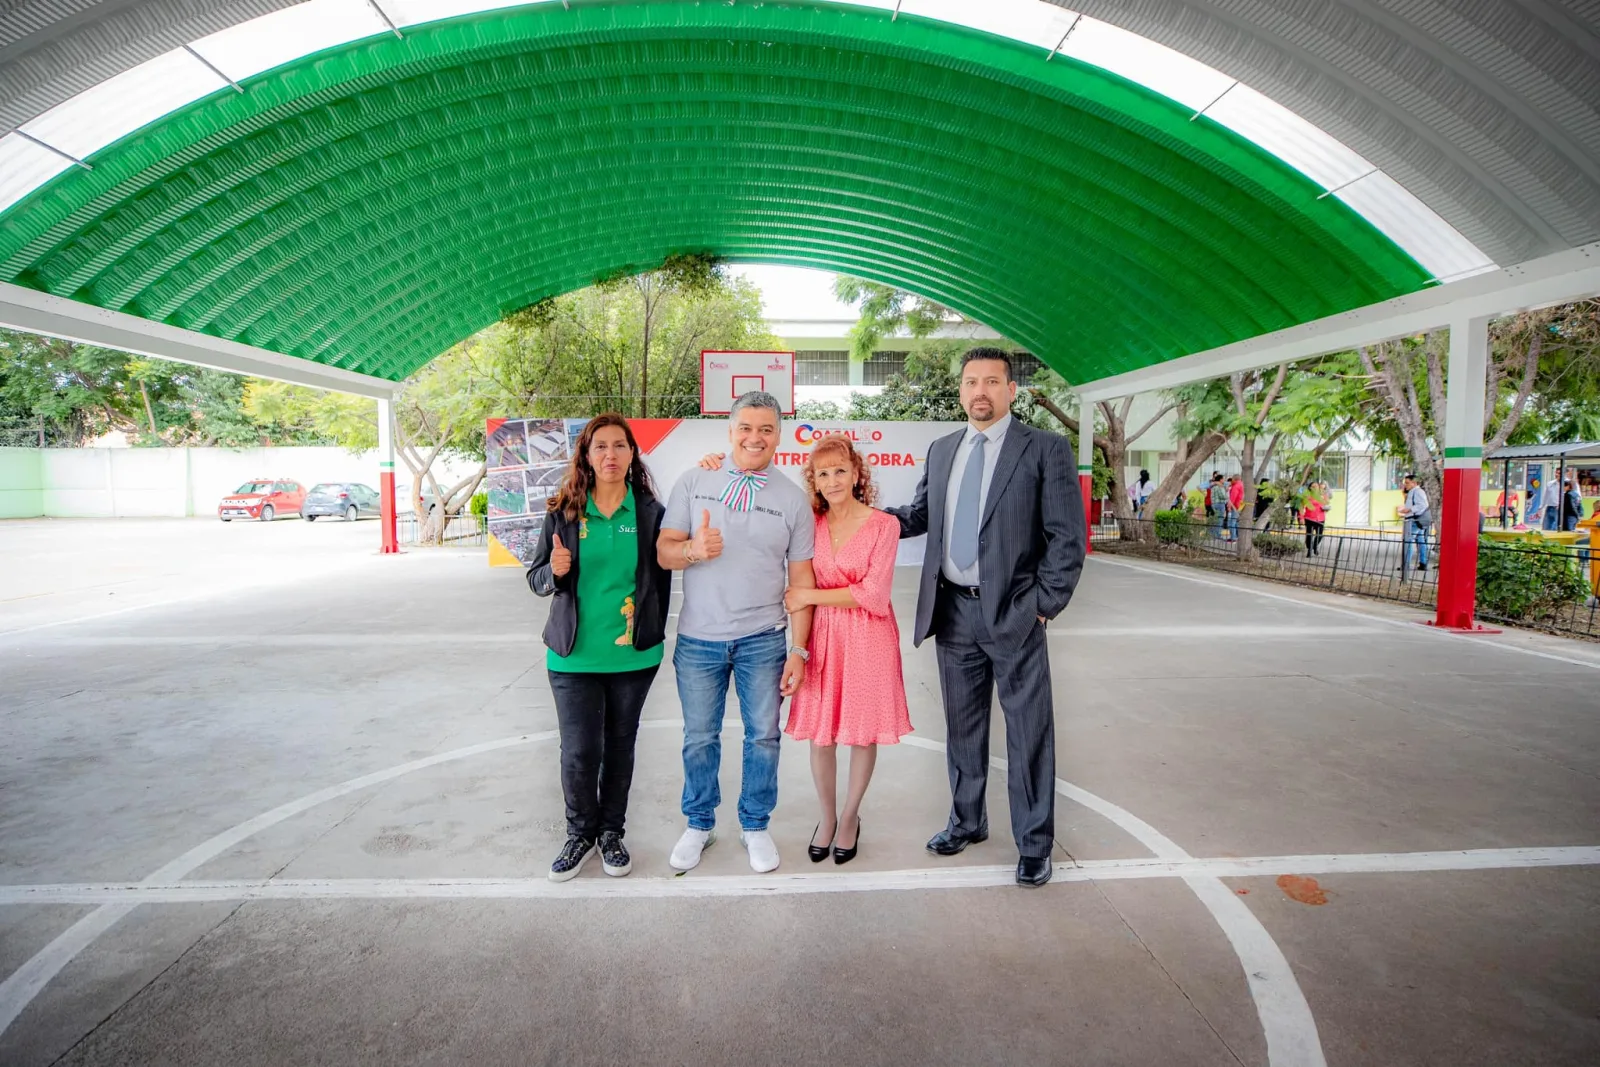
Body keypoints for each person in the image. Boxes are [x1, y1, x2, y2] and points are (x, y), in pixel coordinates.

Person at [885, 347, 1087, 888]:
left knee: (1028, 733)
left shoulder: (1044, 449)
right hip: (952, 612)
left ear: (1011, 390)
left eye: (992, 381)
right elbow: (921, 515)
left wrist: (1043, 606)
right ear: (961, 390)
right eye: (972, 381)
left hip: (1015, 615)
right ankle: (967, 822)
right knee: (963, 729)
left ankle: (1034, 844)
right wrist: (859, 517)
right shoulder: (942, 448)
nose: (981, 391)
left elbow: (1068, 538)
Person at [657, 391, 816, 874]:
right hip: (700, 638)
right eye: (745, 428)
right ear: (730, 432)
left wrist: (800, 650)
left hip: (764, 639)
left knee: (763, 737)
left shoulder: (792, 499)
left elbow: (803, 581)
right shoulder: (695, 480)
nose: (755, 437)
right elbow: (665, 551)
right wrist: (692, 552)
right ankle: (699, 823)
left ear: (779, 436)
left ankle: (755, 825)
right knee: (699, 736)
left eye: (766, 429)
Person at [526, 414, 672, 882]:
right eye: (600, 446)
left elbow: (668, 567)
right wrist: (556, 571)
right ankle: (579, 835)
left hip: (634, 655)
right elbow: (536, 579)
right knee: (579, 751)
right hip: (573, 655)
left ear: (632, 455)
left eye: (620, 446)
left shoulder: (650, 512)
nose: (610, 454)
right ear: (587, 456)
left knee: (620, 746)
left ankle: (611, 833)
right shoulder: (563, 510)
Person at [781, 438, 912, 863]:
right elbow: (798, 583)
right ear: (814, 482)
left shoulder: (883, 525)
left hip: (869, 638)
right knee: (821, 735)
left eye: (840, 470)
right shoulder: (810, 525)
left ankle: (851, 816)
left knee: (859, 731)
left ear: (857, 474)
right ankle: (827, 817)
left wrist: (810, 596)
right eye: (823, 473)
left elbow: (874, 596)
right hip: (822, 638)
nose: (832, 480)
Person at [1397, 473, 1430, 576]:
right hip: (1416, 519)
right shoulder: (1414, 491)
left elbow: (1423, 505)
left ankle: (1406, 564)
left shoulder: (1417, 492)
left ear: (1414, 483)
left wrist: (1409, 510)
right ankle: (1423, 563)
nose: (1405, 485)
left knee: (1408, 541)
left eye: (1407, 483)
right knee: (1421, 541)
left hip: (1414, 519)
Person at [1302, 481, 1328, 557]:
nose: (1315, 488)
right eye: (1313, 486)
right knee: (1309, 535)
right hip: (1309, 518)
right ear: (1310, 488)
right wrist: (1301, 517)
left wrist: (1326, 508)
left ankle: (1314, 546)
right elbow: (1301, 507)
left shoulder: (1322, 495)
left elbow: (1326, 504)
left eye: (1316, 486)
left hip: (1320, 518)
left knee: (1319, 535)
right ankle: (1309, 551)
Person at [1207, 473, 1228, 539]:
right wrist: (1226, 494)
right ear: (1220, 479)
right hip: (1220, 504)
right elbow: (1222, 496)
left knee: (1213, 520)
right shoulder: (1219, 487)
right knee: (1219, 520)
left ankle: (1211, 535)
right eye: (1223, 479)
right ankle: (1218, 535)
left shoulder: (1213, 487)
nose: (1224, 480)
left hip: (1213, 504)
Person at [1226, 475, 1244, 542]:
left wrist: (1229, 506)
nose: (1231, 481)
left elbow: (1232, 498)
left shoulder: (1235, 486)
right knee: (1236, 522)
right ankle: (1237, 536)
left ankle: (1233, 538)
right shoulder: (1242, 484)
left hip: (1235, 507)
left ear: (1235, 479)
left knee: (1232, 522)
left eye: (1232, 479)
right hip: (1240, 506)